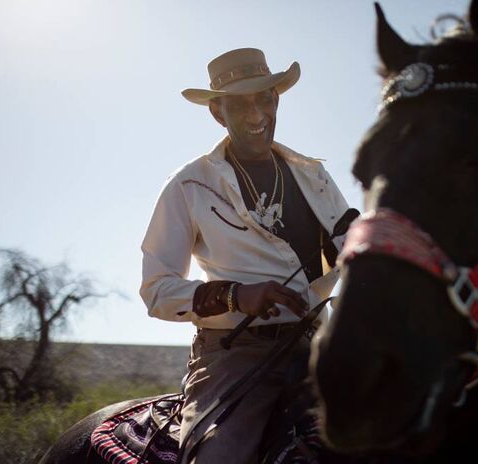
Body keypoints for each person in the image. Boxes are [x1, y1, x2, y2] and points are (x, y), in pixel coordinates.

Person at [140, 48, 350, 463]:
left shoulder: (314, 175)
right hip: (235, 355)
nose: (256, 115)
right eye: (239, 104)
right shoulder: (189, 186)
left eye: (264, 99)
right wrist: (237, 295)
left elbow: (346, 249)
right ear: (218, 112)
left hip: (321, 344)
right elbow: (156, 291)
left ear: (277, 100)